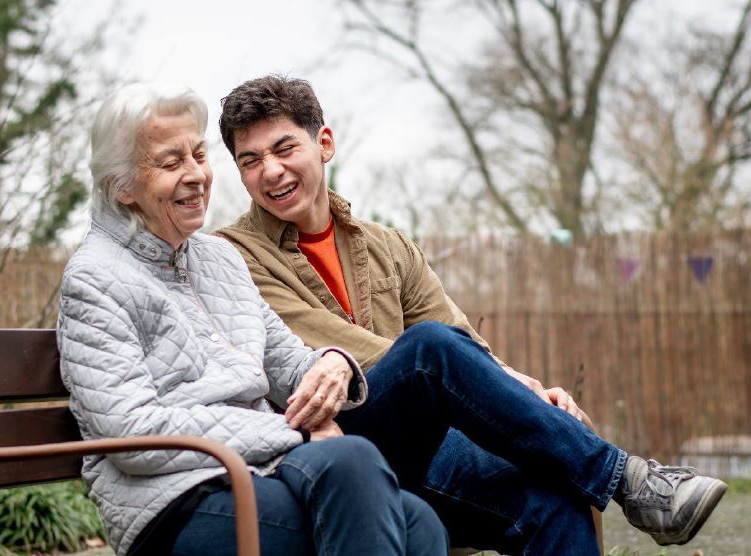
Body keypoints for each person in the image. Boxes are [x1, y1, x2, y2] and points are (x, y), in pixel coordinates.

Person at [215, 75, 728, 554]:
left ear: (323, 144)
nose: (271, 171)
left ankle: (624, 483)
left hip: (426, 448)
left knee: (554, 502)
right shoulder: (231, 256)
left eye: (285, 148)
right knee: (429, 350)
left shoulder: (388, 246)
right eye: (251, 160)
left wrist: (524, 387)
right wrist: (460, 365)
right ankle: (629, 481)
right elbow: (381, 352)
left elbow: (463, 343)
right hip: (328, 447)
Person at [56, 83, 449, 556]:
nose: (195, 175)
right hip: (174, 501)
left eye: (198, 155)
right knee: (354, 464)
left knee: (420, 520)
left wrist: (331, 365)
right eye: (169, 162)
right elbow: (134, 433)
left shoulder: (219, 259)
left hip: (261, 472)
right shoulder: (95, 279)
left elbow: (286, 361)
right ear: (120, 186)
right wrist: (296, 429)